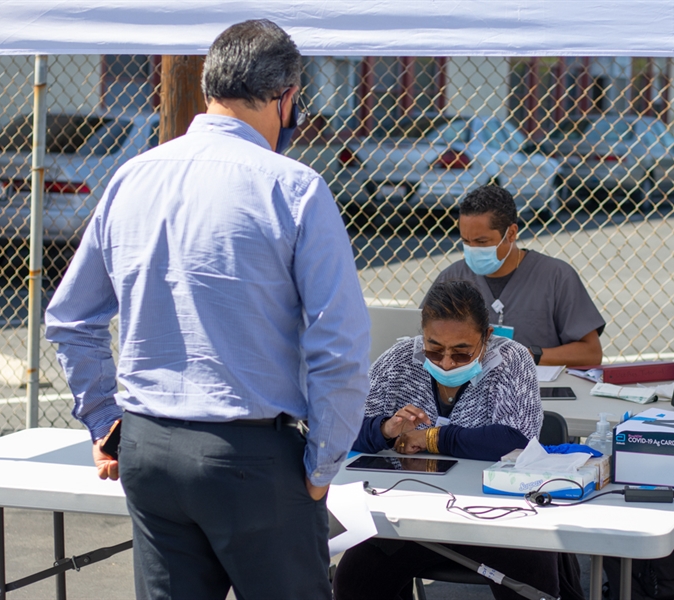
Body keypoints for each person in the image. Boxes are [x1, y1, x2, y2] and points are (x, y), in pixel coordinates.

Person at [44, 20, 370, 599]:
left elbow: (71, 319)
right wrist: (322, 467)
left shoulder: (132, 176)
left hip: (149, 448)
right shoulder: (294, 188)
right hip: (252, 457)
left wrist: (104, 420)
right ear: (287, 97)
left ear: (207, 83)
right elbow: (338, 345)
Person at [334, 280, 568, 600]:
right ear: (422, 334)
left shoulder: (510, 359)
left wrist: (431, 438)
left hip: (499, 520)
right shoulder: (400, 359)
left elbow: (515, 439)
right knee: (354, 581)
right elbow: (343, 429)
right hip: (411, 517)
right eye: (434, 348)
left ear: (486, 338)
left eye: (461, 352)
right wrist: (386, 429)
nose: (445, 362)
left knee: (533, 584)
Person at [429, 184, 605, 367]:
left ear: (511, 233)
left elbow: (591, 353)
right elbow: (420, 342)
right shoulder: (451, 279)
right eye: (466, 241)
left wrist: (528, 356)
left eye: (482, 242)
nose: (473, 250)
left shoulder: (556, 277)